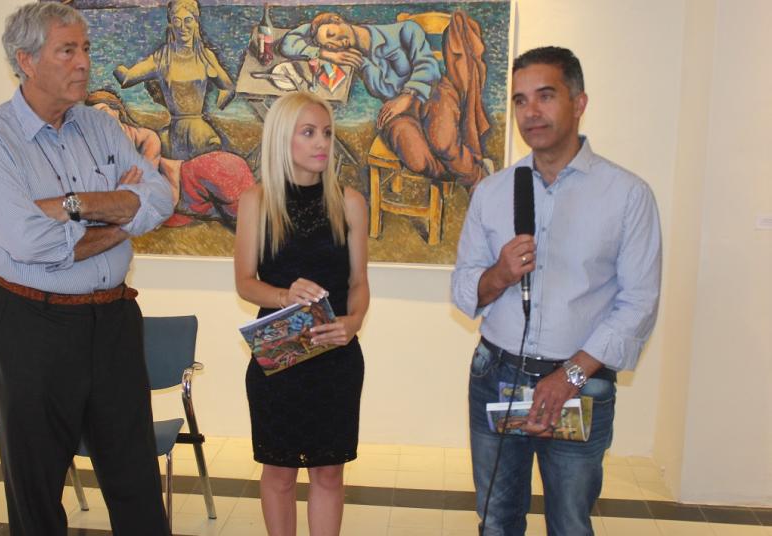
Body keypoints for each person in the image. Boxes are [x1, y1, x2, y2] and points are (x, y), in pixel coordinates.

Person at [0, 4, 174, 535]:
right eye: (68, 50)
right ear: (26, 61)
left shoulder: (99, 126)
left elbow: (159, 198)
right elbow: (28, 242)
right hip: (34, 324)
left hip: (114, 321)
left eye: (85, 49)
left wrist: (70, 206)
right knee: (36, 486)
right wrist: (120, 214)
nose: (83, 62)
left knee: (137, 482)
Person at [450, 47, 662, 535]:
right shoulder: (493, 191)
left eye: (545, 96)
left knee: (569, 523)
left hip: (581, 384)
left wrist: (570, 374)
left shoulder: (627, 195)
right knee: (496, 521)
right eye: (521, 100)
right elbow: (463, 287)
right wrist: (500, 274)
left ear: (579, 102)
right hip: (496, 374)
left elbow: (639, 303)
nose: (531, 112)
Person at [233, 91, 370, 536]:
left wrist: (353, 323)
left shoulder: (350, 202)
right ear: (281, 138)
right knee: (279, 473)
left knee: (329, 473)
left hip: (336, 357)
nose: (322, 143)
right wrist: (283, 295)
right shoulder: (256, 201)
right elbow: (245, 283)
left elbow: (359, 283)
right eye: (308, 132)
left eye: (326, 133)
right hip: (279, 358)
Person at [279, 10, 491, 187]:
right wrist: (324, 54)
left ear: (337, 19)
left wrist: (407, 96)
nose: (337, 43)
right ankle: (467, 168)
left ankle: (477, 180)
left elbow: (428, 66)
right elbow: (288, 43)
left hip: (432, 93)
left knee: (443, 143)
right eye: (331, 45)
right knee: (417, 160)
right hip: (395, 113)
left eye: (332, 34)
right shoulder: (358, 60)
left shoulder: (405, 30)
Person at [86, 89, 255, 229]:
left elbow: (145, 182)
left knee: (249, 220)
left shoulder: (146, 137)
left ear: (117, 110)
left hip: (195, 177)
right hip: (188, 203)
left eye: (104, 112)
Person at [113, 0, 233, 160]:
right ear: (171, 24)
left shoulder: (205, 56)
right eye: (177, 20)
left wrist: (221, 102)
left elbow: (228, 87)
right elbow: (127, 79)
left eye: (188, 20)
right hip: (173, 133)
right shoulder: (162, 57)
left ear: (196, 23)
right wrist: (115, 65)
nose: (183, 27)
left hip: (200, 131)